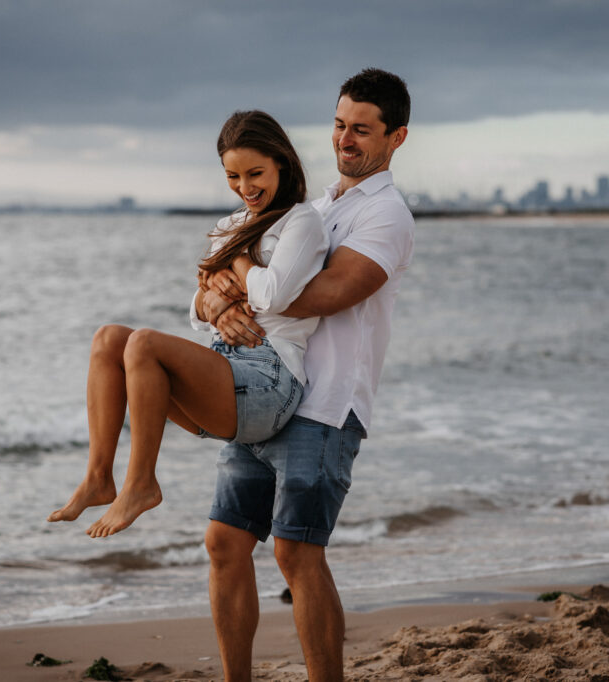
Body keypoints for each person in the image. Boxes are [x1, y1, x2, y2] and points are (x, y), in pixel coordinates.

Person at [197, 68, 413, 682]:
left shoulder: (388, 217)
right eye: (340, 125)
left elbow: (326, 295)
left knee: (297, 551)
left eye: (362, 130)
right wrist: (215, 300)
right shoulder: (311, 209)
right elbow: (219, 280)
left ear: (396, 137)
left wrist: (238, 275)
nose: (345, 140)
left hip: (325, 407)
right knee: (224, 544)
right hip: (264, 390)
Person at [47, 110, 329, 538]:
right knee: (109, 339)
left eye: (256, 174)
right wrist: (216, 305)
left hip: (271, 381)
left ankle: (141, 483)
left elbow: (273, 294)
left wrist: (235, 256)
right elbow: (196, 310)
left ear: (282, 164)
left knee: (142, 342)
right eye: (233, 177)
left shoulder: (301, 223)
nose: (246, 188)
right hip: (223, 366)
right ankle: (99, 477)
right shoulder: (228, 225)